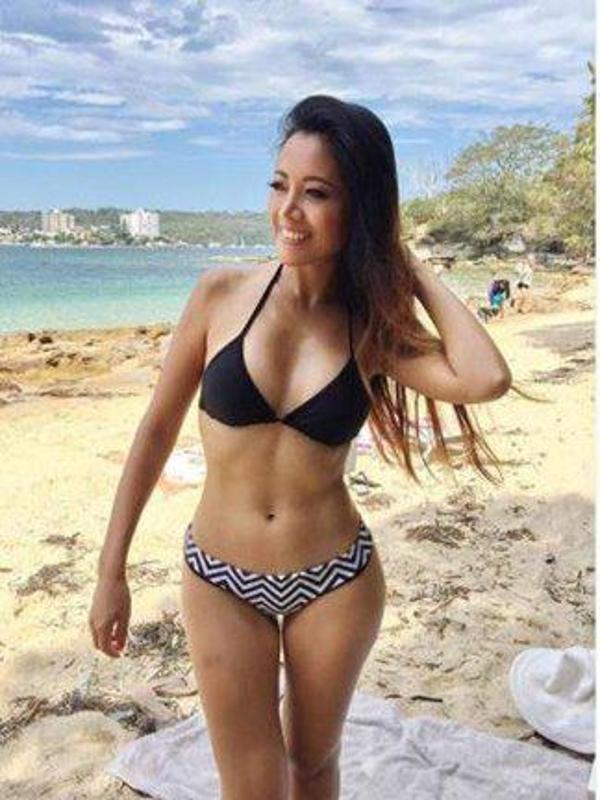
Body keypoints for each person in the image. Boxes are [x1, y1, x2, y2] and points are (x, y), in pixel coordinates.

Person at [88, 95, 512, 800]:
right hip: (221, 576)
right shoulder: (220, 295)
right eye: (279, 185)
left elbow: (485, 377)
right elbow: (155, 431)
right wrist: (112, 570)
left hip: (335, 580)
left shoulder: (371, 329)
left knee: (313, 767)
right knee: (253, 787)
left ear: (359, 208)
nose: (289, 210)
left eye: (316, 193)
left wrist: (405, 264)